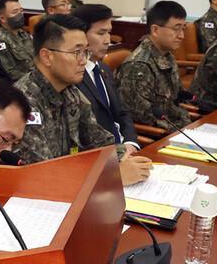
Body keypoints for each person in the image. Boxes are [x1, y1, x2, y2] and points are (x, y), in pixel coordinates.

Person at [12, 15, 150, 184]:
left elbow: (99, 140)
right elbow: (42, 174)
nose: (84, 60)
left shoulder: (69, 91)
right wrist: (112, 176)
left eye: (86, 51)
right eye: (76, 52)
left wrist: (125, 157)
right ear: (47, 57)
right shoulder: (22, 102)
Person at [114, 1, 192, 132]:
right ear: (155, 30)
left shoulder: (167, 55)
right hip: (155, 137)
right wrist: (181, 132)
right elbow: (143, 118)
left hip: (175, 130)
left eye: (184, 28)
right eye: (176, 29)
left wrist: (190, 127)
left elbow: (176, 103)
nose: (182, 36)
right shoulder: (139, 67)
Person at [72, 3, 139, 146]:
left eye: (109, 32)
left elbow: (121, 113)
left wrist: (131, 144)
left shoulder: (103, 68)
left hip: (123, 149)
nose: (108, 40)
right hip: (102, 154)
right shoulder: (72, 75)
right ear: (80, 35)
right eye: (101, 33)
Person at [0, 0, 34, 81]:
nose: (20, 15)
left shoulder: (24, 34)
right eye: (15, 12)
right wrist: (35, 78)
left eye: (21, 10)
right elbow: (10, 73)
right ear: (2, 18)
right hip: (23, 85)